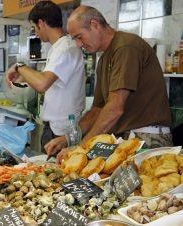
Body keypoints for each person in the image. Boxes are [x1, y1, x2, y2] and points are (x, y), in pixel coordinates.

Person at [47, 5, 173, 162]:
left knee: (148, 184)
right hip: (124, 136)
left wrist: (81, 148)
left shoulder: (126, 47)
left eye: (79, 37)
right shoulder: (104, 58)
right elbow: (97, 110)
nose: (79, 44)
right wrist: (68, 138)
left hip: (147, 136)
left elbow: (115, 108)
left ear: (94, 25)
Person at [5, 0, 85, 153]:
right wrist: (25, 77)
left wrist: (19, 67)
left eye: (34, 28)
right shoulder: (57, 48)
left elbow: (42, 84)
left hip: (63, 131)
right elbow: (46, 80)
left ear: (41, 23)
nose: (35, 32)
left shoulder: (66, 48)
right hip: (55, 127)